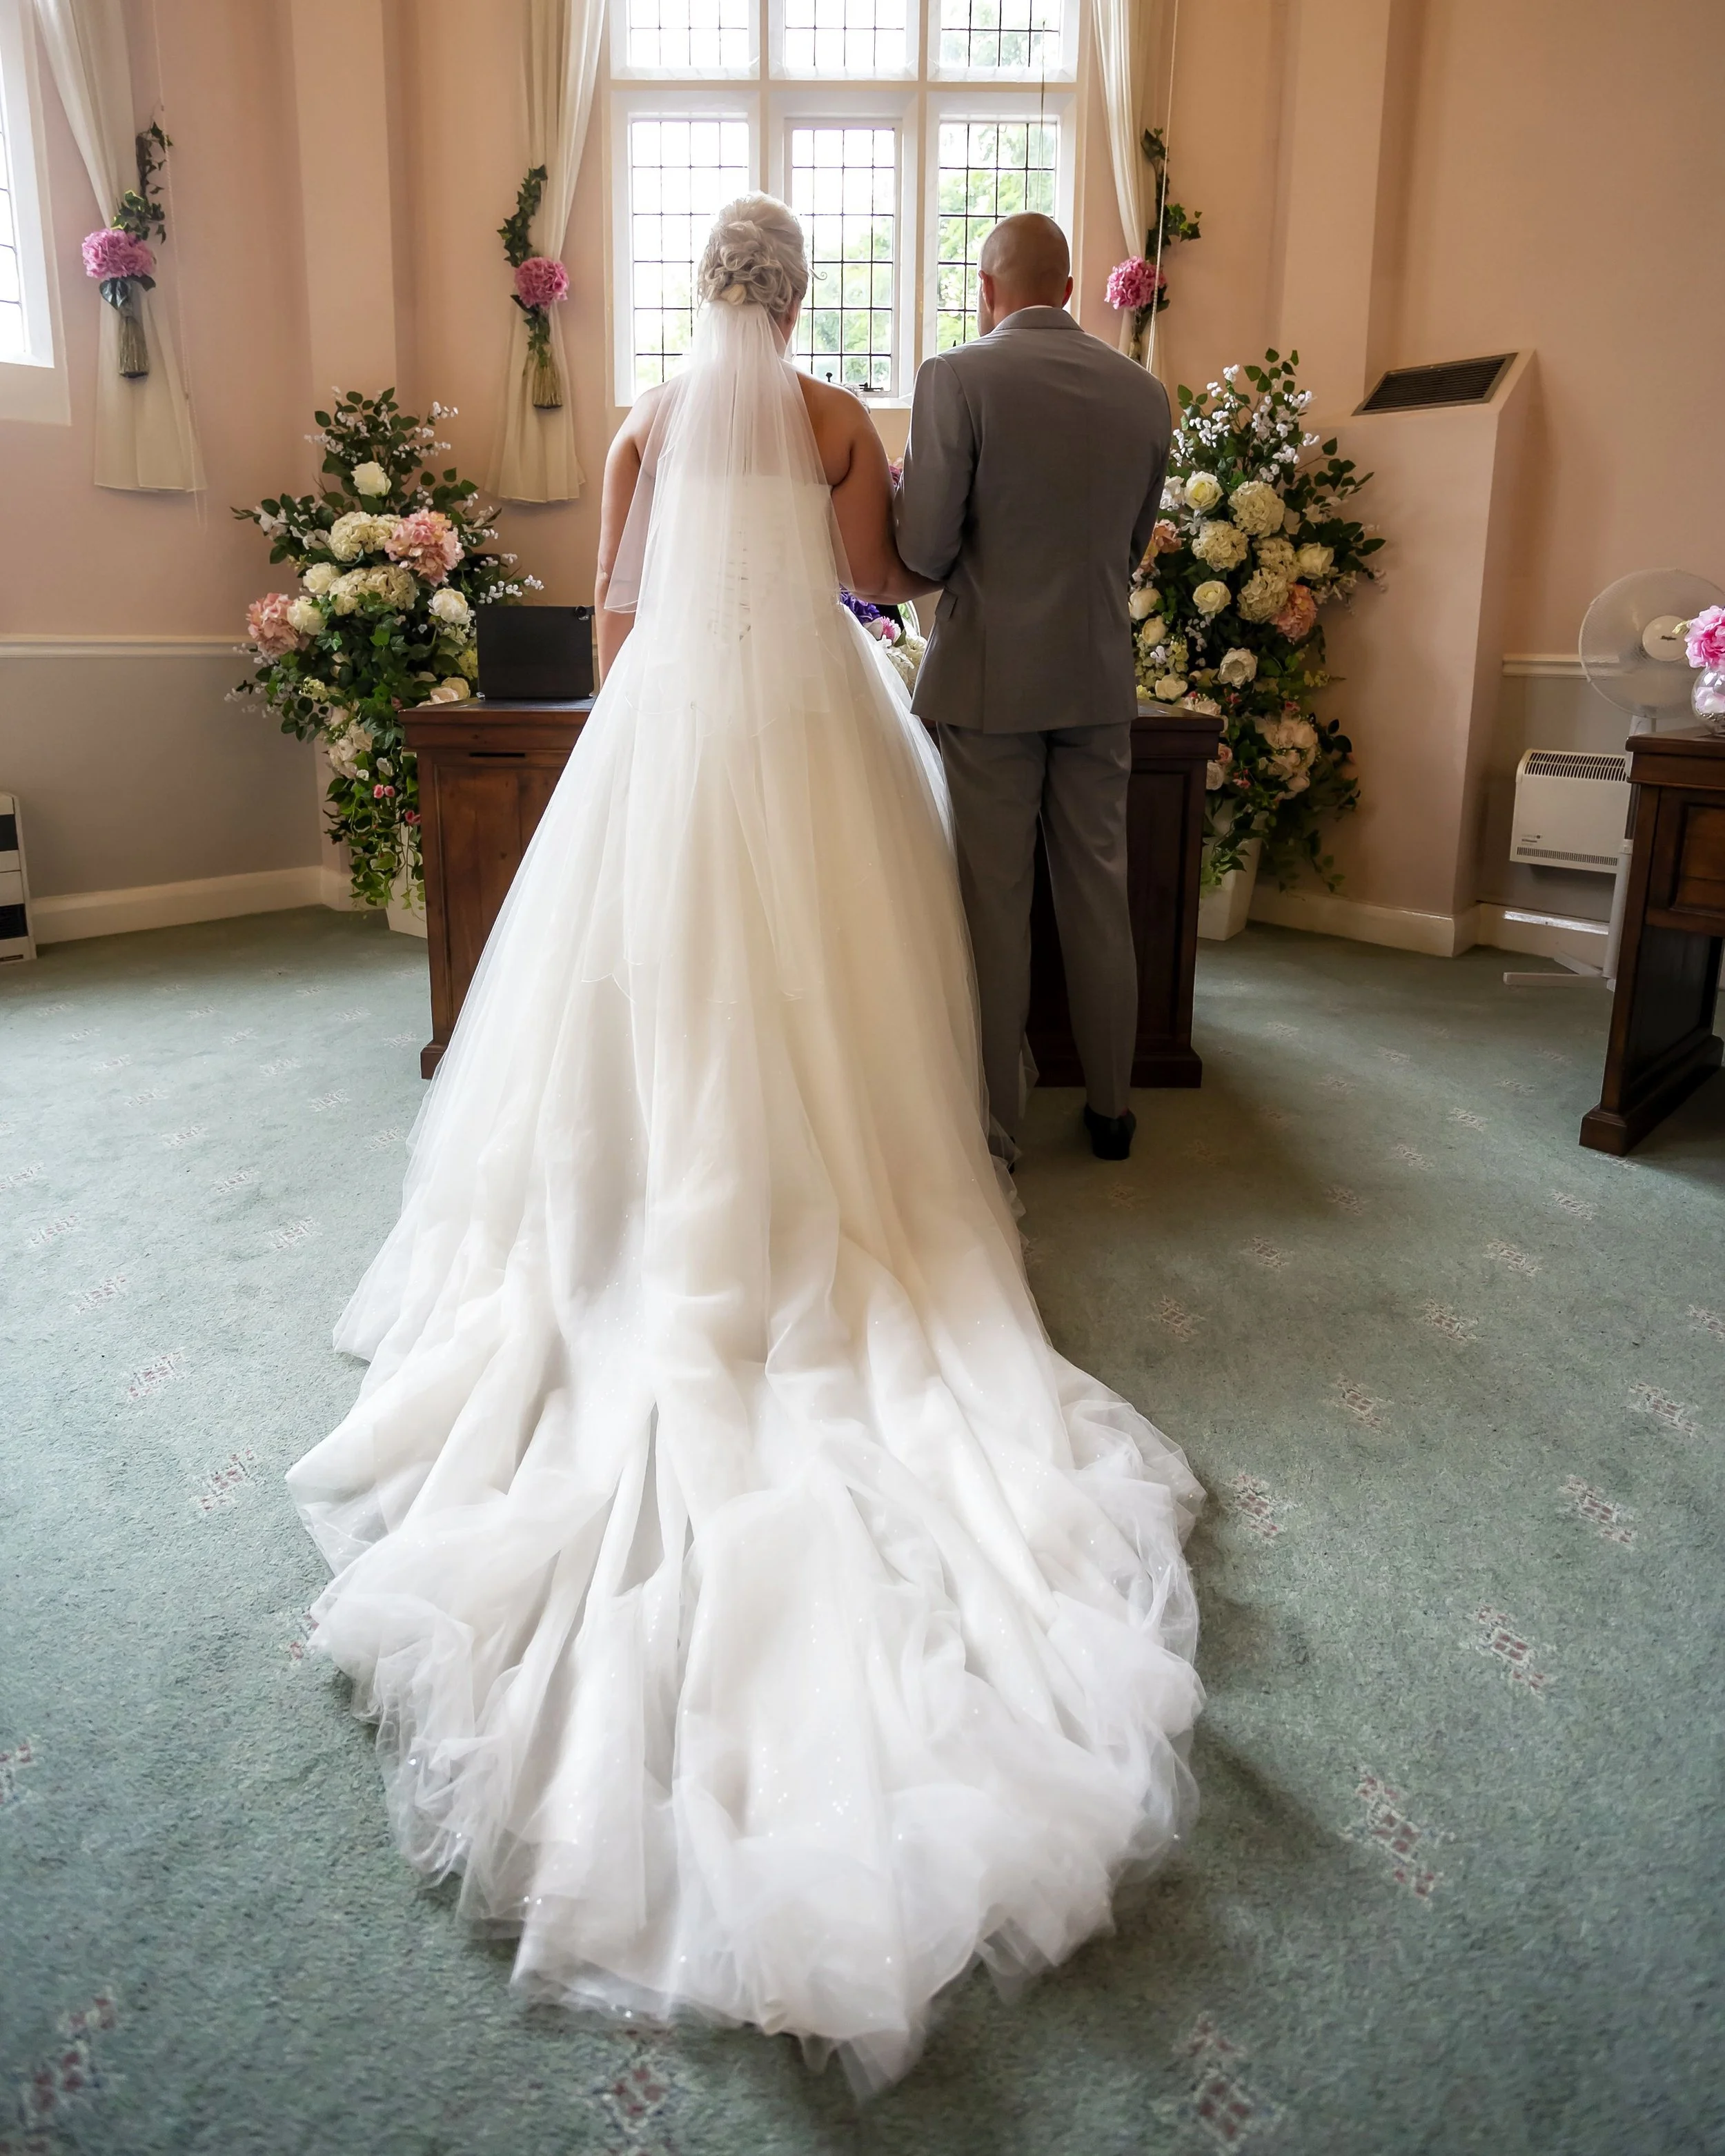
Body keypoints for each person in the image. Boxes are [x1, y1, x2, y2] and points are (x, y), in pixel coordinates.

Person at [286, 196, 1201, 2096]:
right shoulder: (837, 414)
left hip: (672, 731)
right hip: (805, 720)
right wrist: (821, 632)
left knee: (643, 993)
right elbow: (879, 585)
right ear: (794, 301)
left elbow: (614, 606)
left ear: (700, 292)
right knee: (855, 982)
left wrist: (655, 712)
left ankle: (629, 1205)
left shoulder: (631, 424)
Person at [894, 213, 1174, 1164]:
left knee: (993, 902)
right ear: (1067, 290)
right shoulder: (1144, 393)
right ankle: (1110, 1108)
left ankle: (998, 1122)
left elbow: (925, 551)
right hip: (1096, 677)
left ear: (986, 288)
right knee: (1099, 892)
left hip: (985, 687)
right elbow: (1132, 547)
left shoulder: (957, 377)